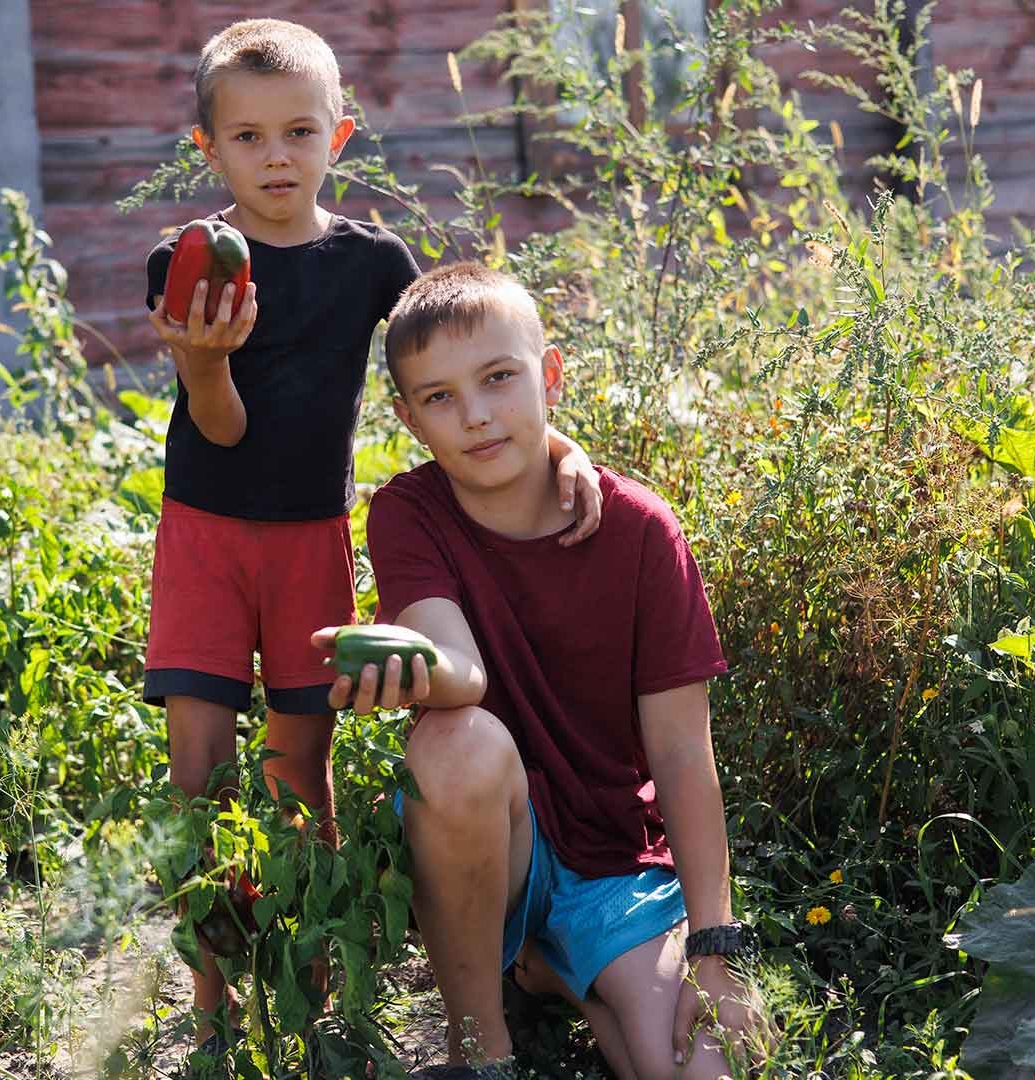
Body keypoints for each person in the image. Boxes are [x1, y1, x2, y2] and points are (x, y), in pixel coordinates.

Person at [140, 19, 608, 1052]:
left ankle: (311, 988)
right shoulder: (190, 262)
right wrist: (206, 364)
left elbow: (447, 369)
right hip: (206, 535)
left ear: (339, 135)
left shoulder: (372, 264)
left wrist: (558, 445)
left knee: (300, 769)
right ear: (206, 148)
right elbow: (222, 430)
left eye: (299, 131)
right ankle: (213, 1009)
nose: (276, 157)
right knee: (200, 766)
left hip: (310, 537)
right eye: (249, 137)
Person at [313, 263, 762, 1079]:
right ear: (409, 420)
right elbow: (462, 672)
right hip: (493, 844)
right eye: (441, 398)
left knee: (693, 1069)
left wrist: (716, 951)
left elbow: (683, 754)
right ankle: (480, 1046)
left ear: (549, 375)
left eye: (498, 379)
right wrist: (408, 664)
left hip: (613, 862)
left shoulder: (640, 533)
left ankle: (550, 967)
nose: (477, 416)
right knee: (458, 743)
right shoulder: (409, 514)